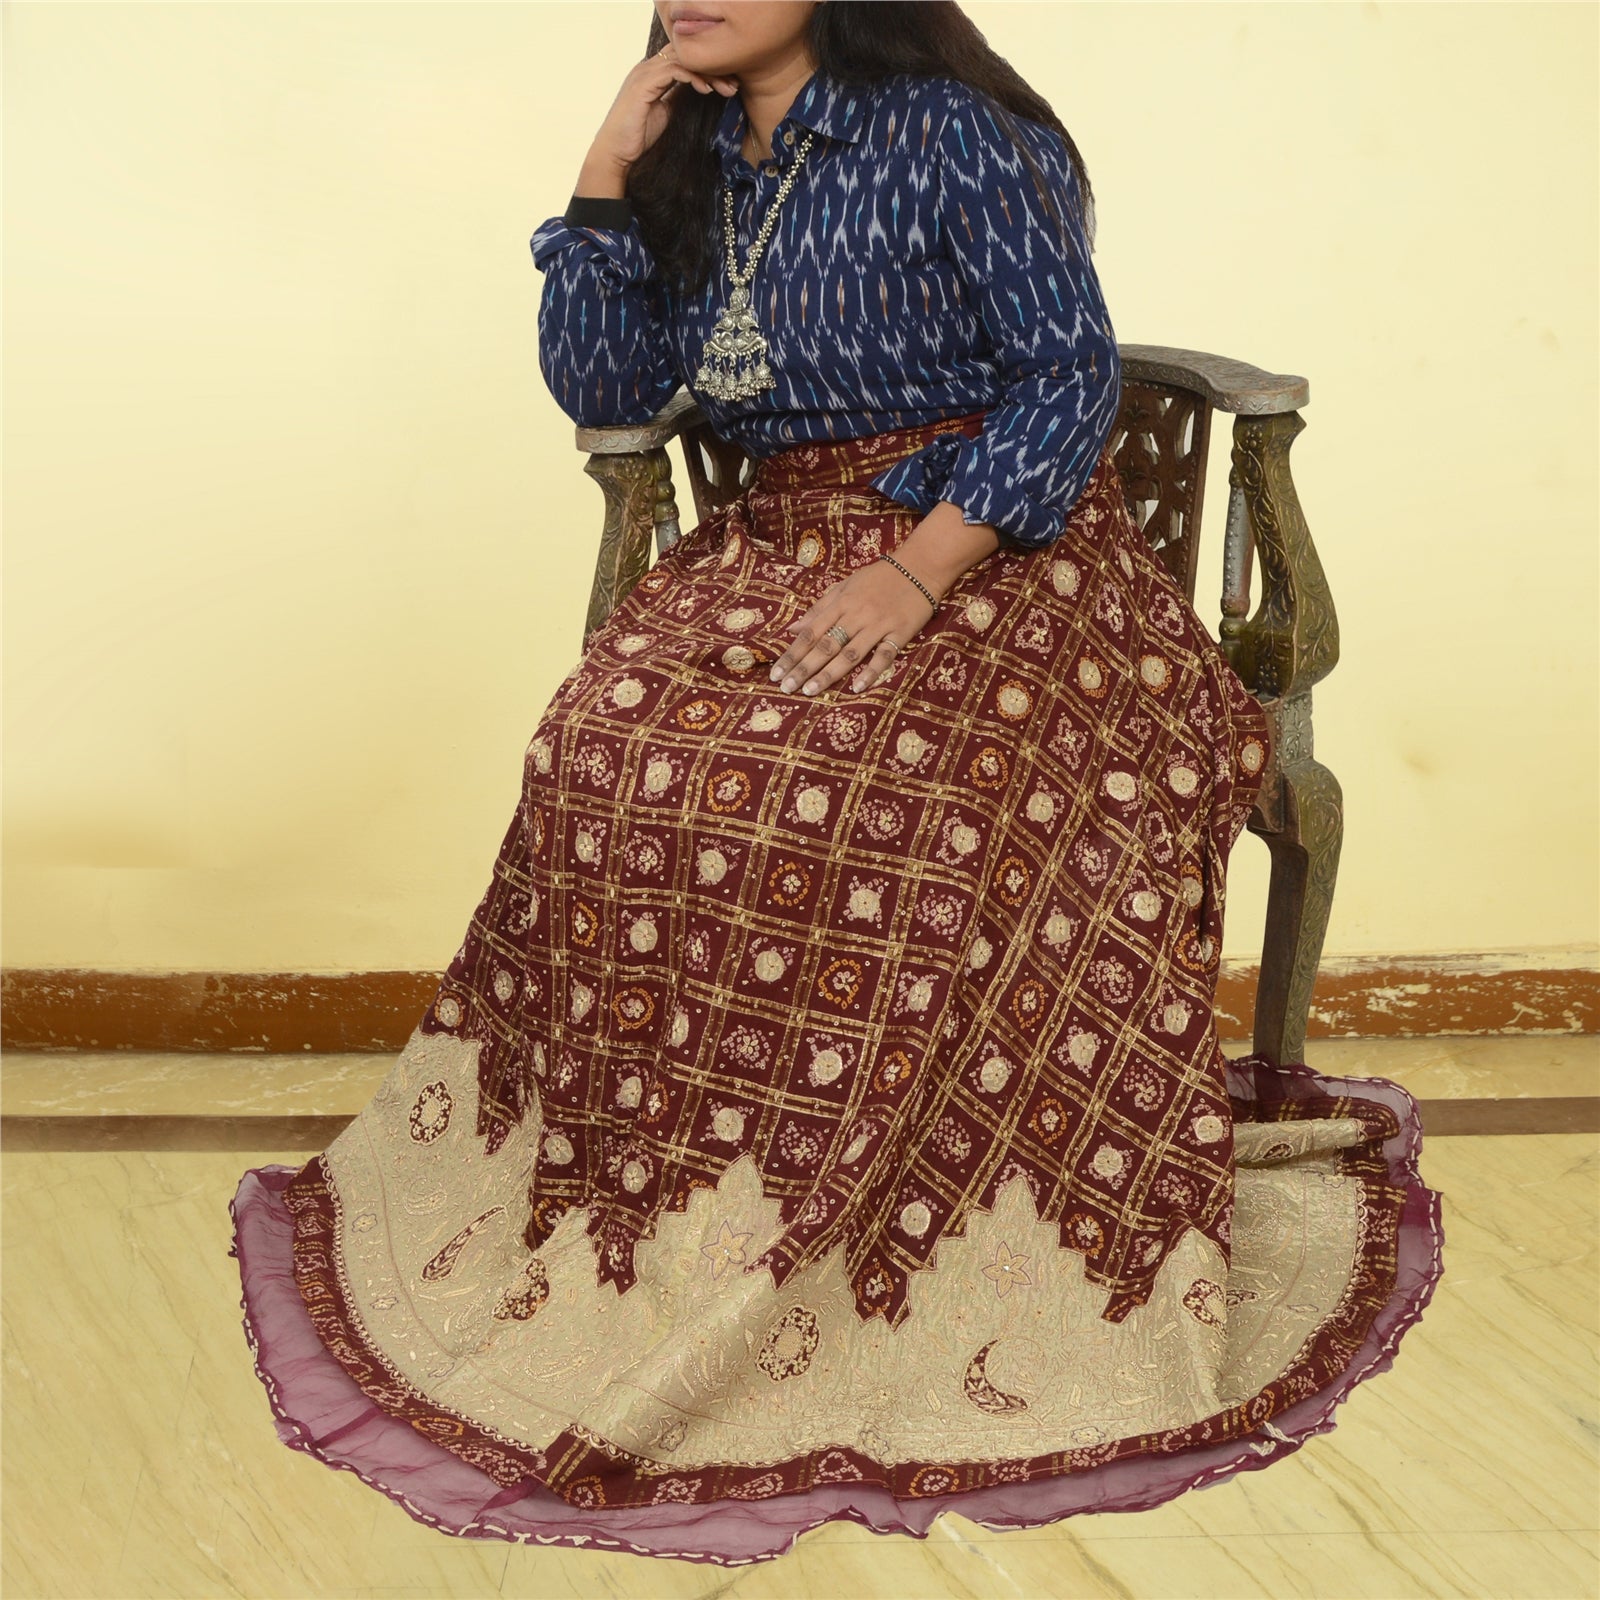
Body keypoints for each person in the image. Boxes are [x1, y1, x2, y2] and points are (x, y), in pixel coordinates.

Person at [230, 0, 1443, 1566]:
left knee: (873, 785)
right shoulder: (693, 157)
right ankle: (677, 1215)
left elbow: (1066, 378)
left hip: (1003, 554)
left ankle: (878, 1222)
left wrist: (920, 571)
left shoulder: (952, 134)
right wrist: (602, 178)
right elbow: (603, 384)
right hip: (775, 544)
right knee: (614, 758)